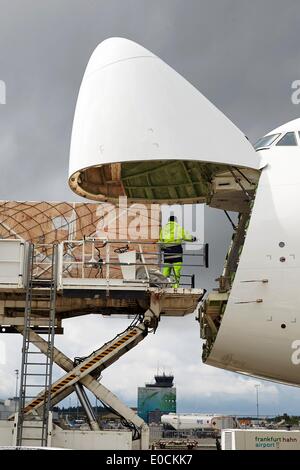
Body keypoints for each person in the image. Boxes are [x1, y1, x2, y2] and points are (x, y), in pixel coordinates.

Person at [159, 216, 196, 288]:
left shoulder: (164, 229)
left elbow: (161, 240)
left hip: (167, 252)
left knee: (166, 269)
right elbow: (186, 236)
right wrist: (193, 238)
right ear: (175, 220)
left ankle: (164, 285)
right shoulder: (178, 228)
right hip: (177, 251)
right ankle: (175, 285)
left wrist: (163, 248)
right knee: (176, 270)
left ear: (169, 220)